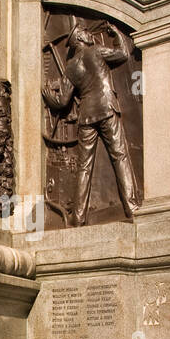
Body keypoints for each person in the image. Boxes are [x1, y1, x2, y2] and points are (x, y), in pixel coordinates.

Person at [64, 22, 141, 224]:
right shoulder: (96, 51)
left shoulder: (70, 66)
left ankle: (78, 219)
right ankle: (132, 208)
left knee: (83, 167)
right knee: (120, 156)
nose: (90, 35)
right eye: (86, 32)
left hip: (86, 116)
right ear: (80, 37)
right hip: (106, 108)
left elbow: (63, 101)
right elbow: (123, 54)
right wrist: (116, 35)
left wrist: (47, 97)